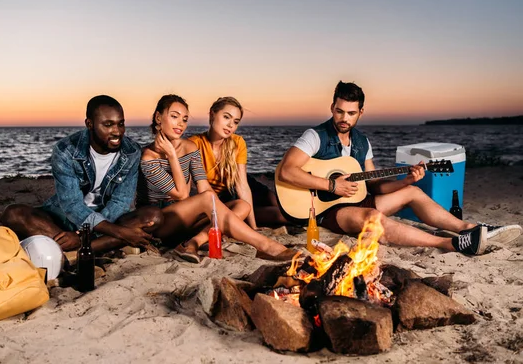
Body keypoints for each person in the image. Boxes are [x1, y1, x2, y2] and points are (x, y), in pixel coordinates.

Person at [277, 81, 522, 255]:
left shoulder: (362, 141)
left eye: (351, 113)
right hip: (326, 210)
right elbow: (287, 171)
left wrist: (405, 181)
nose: (344, 118)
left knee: (413, 193)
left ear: (361, 113)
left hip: (357, 199)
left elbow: (373, 184)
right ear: (332, 108)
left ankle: (470, 229)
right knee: (373, 218)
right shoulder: (315, 136)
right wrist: (332, 184)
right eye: (340, 111)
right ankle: (446, 244)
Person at [136, 94, 296, 263]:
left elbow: (204, 187)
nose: (180, 124)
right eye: (174, 116)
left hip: (187, 222)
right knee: (207, 199)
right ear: (158, 118)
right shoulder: (148, 157)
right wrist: (172, 156)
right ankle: (266, 246)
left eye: (184, 119)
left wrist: (220, 213)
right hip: (160, 224)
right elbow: (182, 194)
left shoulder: (190, 147)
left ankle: (194, 242)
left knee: (241, 205)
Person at [1, 95, 162, 254]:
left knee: (154, 217)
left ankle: (76, 250)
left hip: (108, 218)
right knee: (13, 214)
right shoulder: (65, 150)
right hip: (65, 219)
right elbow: (71, 205)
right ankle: (101, 245)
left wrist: (83, 235)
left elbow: (121, 202)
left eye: (121, 124)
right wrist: (117, 233)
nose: (117, 132)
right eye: (108, 125)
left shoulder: (131, 151)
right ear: (89, 124)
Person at [188, 97, 288, 228]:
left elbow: (242, 185)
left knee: (279, 204)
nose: (231, 125)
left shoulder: (238, 142)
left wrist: (254, 227)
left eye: (235, 122)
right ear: (212, 114)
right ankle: (243, 217)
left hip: (238, 186)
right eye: (226, 117)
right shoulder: (193, 144)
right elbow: (192, 190)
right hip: (222, 199)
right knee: (280, 216)